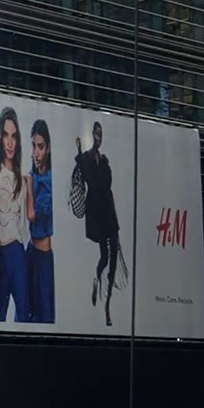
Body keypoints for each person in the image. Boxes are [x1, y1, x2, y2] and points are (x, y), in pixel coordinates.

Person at [75, 121, 125, 326]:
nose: (98, 138)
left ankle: (108, 305)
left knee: (113, 256)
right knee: (105, 255)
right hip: (98, 212)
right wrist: (78, 151)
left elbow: (107, 183)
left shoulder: (104, 160)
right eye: (96, 134)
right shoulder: (87, 158)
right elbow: (86, 177)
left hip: (108, 210)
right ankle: (97, 278)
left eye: (100, 135)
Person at [0, 107, 29, 323]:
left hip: (17, 251)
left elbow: (24, 223)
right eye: (6, 135)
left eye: (14, 136)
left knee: (23, 314)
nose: (10, 143)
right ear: (0, 138)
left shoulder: (22, 180)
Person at [25, 119, 56, 324]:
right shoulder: (33, 175)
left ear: (48, 148)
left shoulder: (49, 181)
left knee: (44, 316)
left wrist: (28, 185)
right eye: (33, 146)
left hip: (44, 257)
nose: (36, 153)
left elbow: (32, 215)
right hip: (30, 251)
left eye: (41, 147)